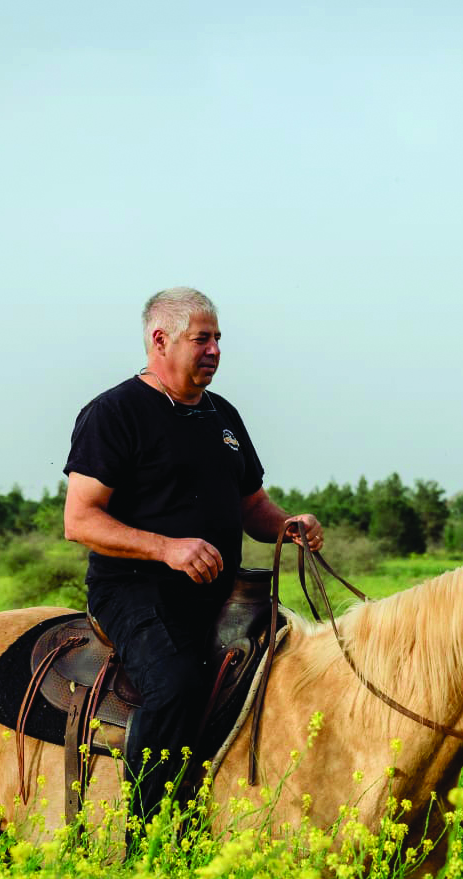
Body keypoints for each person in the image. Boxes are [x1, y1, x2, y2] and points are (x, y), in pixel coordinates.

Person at [62, 286, 321, 828]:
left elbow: (253, 507)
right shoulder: (114, 413)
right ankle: (150, 837)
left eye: (218, 339)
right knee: (175, 685)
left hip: (222, 595)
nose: (214, 350)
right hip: (134, 593)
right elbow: (80, 519)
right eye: (202, 339)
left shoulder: (222, 416)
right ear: (160, 340)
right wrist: (167, 548)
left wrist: (289, 526)